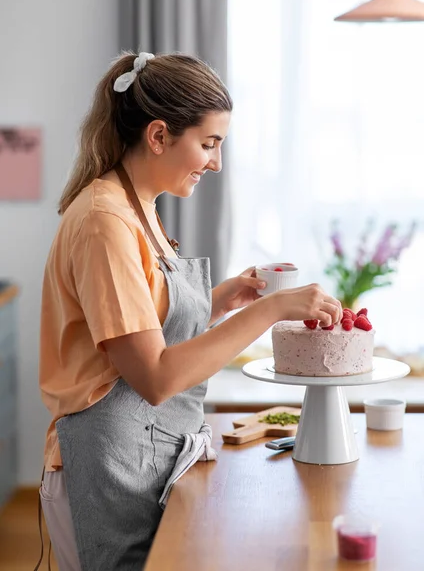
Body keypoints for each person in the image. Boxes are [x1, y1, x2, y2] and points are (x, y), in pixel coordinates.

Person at [37, 51, 342, 571]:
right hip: (109, 466)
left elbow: (146, 330)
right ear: (158, 136)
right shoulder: (104, 222)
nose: (216, 163)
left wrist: (223, 299)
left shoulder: (139, 209)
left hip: (143, 457)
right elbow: (154, 376)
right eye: (208, 144)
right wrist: (269, 310)